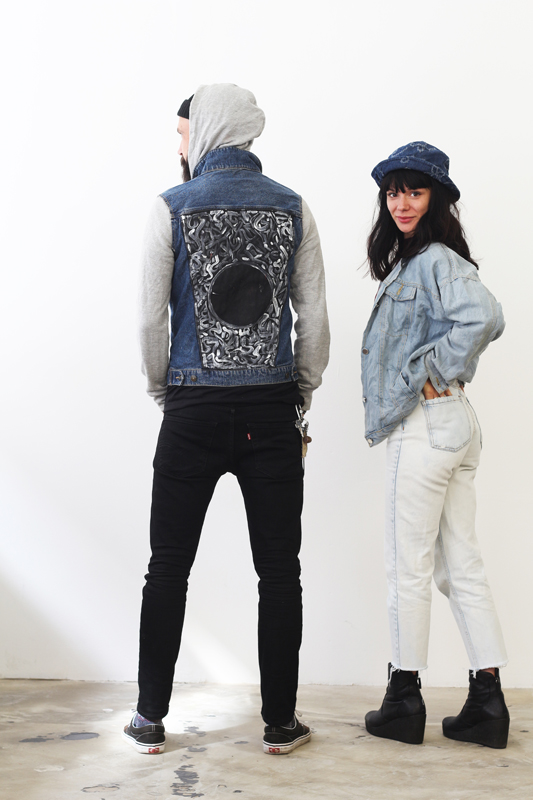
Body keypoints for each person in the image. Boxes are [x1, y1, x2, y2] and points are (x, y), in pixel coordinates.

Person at [123, 84, 330, 756]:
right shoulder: (293, 208)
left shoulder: (170, 207)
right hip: (271, 410)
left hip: (191, 409)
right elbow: (314, 319)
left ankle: (149, 718)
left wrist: (166, 391)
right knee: (279, 571)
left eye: (184, 132)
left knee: (166, 567)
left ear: (210, 128)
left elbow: (151, 319)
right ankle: (280, 724)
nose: (180, 145)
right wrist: (300, 392)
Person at [361, 142, 509, 748]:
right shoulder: (418, 260)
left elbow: (487, 317)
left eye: (414, 192)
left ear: (438, 199)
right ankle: (488, 703)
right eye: (393, 192)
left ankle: (404, 699)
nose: (401, 203)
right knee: (460, 565)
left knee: (408, 567)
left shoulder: (436, 260)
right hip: (454, 425)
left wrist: (427, 372)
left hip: (426, 426)